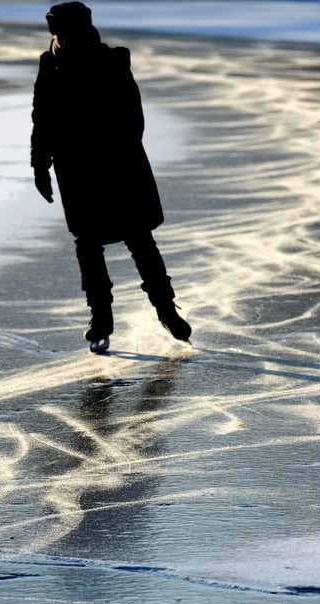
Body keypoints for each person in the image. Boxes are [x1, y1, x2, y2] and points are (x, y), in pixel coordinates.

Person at [31, 1, 191, 352]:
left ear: (84, 31)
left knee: (140, 239)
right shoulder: (50, 65)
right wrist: (40, 166)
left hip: (120, 166)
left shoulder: (113, 61)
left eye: (67, 34)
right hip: (75, 172)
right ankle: (101, 317)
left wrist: (112, 149)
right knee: (88, 244)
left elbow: (134, 119)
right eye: (57, 34)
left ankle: (166, 310)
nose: (62, 40)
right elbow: (41, 119)